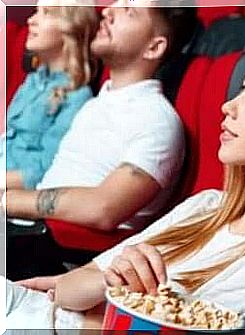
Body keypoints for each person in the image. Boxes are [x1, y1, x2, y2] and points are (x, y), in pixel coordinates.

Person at [5, 48, 245, 331]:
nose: (229, 106)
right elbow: (71, 287)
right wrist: (104, 286)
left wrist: (97, 296)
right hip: (32, 311)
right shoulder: (206, 206)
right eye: (242, 89)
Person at [3, 0, 197, 233]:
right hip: (27, 229)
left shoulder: (157, 120)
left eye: (129, 11)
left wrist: (7, 200)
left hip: (61, 251)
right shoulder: (96, 104)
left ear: (154, 47)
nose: (107, 11)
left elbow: (103, 209)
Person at [2, 0, 98, 190]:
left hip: (14, 198)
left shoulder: (77, 97)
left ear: (70, 29)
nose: (31, 20)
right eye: (35, 11)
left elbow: (44, 171)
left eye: (46, 13)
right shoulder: (33, 81)